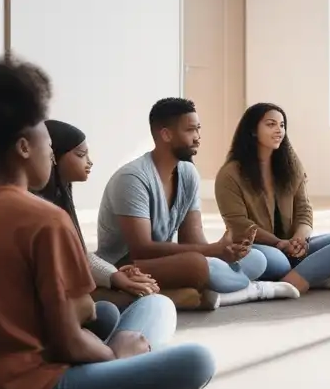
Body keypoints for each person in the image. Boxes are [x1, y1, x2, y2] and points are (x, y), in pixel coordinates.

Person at [0, 56, 215, 389]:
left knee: (112, 316)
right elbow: (67, 342)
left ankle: (116, 360)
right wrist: (115, 355)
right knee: (195, 360)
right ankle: (119, 367)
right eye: (47, 141)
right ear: (25, 147)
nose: (51, 151)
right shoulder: (44, 219)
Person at [96, 98, 299, 310]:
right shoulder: (132, 178)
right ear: (166, 135)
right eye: (191, 130)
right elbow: (141, 249)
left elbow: (192, 239)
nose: (198, 137)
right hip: (125, 266)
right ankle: (251, 290)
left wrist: (224, 251)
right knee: (197, 266)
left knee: (256, 259)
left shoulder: (188, 173)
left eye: (198, 129)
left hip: (162, 261)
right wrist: (212, 252)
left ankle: (198, 293)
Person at [34, 119, 205, 311]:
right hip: (64, 286)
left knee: (198, 266)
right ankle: (164, 299)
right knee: (98, 306)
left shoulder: (61, 196)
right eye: (81, 155)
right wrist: (115, 276)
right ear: (54, 157)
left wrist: (115, 276)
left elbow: (80, 256)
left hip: (95, 272)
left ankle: (155, 299)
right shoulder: (132, 177)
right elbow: (141, 248)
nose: (89, 162)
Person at [214, 103, 330, 292]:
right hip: (258, 247)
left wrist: (299, 239)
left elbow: (304, 210)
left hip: (292, 246)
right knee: (277, 261)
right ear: (252, 130)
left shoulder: (291, 165)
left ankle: (294, 279)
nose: (279, 130)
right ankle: (313, 274)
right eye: (271, 124)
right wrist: (278, 243)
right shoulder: (230, 174)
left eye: (282, 125)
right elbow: (239, 224)